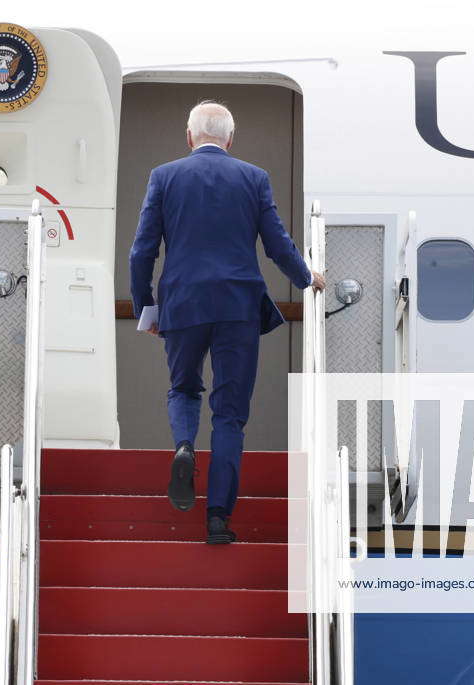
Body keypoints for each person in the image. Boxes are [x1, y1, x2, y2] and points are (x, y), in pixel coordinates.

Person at [129, 101, 326, 544]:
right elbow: (277, 243)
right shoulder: (253, 178)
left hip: (182, 304)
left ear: (189, 136)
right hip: (238, 306)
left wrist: (148, 308)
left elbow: (141, 251)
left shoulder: (164, 176)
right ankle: (218, 518)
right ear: (230, 140)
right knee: (230, 416)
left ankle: (183, 446)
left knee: (183, 388)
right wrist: (307, 277)